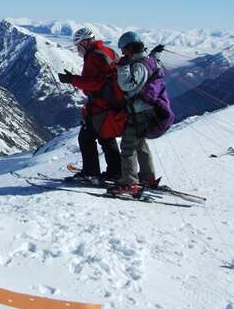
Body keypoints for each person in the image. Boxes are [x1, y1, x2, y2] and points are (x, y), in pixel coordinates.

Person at [108, 31, 174, 196]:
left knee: (128, 145)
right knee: (141, 145)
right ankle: (147, 178)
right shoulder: (149, 61)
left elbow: (127, 85)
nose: (122, 53)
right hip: (149, 111)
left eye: (124, 50)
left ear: (130, 49)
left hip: (140, 112)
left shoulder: (138, 66)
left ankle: (130, 182)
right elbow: (153, 61)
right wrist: (155, 53)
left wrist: (122, 68)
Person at [57, 27, 122, 183]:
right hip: (115, 103)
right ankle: (116, 172)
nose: (77, 50)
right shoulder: (109, 52)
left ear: (86, 42)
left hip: (101, 105)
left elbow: (93, 83)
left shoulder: (93, 57)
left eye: (78, 45)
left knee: (86, 137)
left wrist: (71, 79)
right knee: (107, 137)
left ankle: (91, 173)